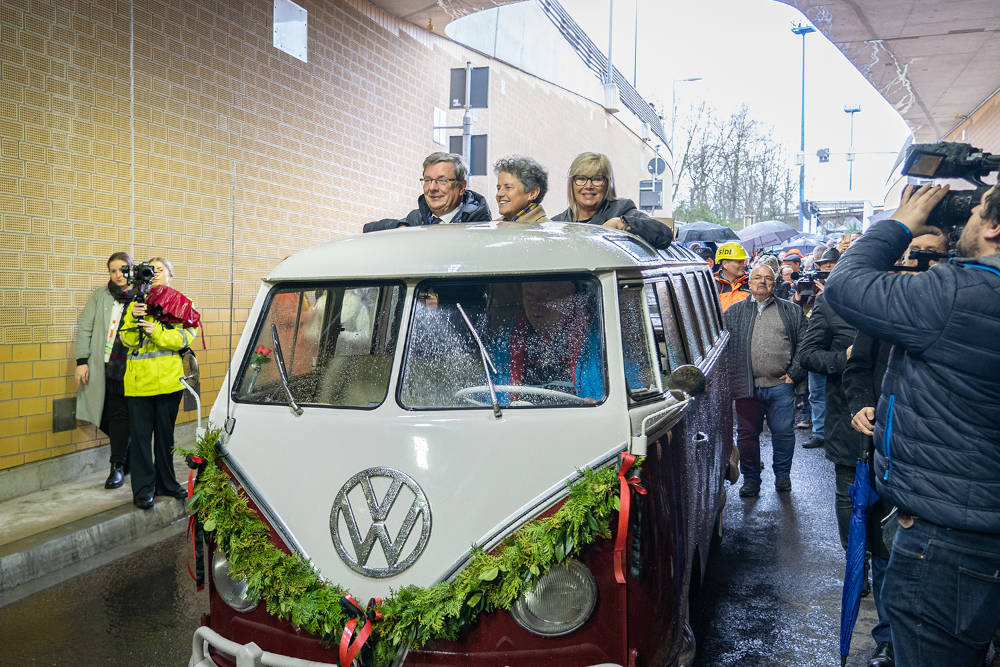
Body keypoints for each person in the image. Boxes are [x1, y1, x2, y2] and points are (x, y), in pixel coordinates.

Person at [824, 183, 1000, 667]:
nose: (961, 220)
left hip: (950, 541)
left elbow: (845, 283)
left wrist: (900, 222)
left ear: (993, 226)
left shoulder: (959, 294)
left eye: (976, 209)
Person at [839, 229, 951, 667]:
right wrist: (861, 404)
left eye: (932, 255)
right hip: (889, 455)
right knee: (887, 548)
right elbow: (857, 366)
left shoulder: (967, 308)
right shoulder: (888, 308)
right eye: (914, 254)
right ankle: (889, 638)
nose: (921, 264)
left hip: (948, 462)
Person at [120, 257, 199, 510]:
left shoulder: (182, 304)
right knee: (141, 439)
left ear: (170, 275)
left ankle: (167, 483)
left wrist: (159, 333)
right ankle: (143, 490)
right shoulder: (134, 304)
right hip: (138, 384)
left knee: (165, 437)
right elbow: (127, 341)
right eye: (150, 270)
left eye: (160, 270)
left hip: (168, 383)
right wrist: (133, 318)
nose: (154, 274)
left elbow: (187, 337)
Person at [723, 264, 808, 497]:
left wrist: (795, 373)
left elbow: (805, 344)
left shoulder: (791, 311)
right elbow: (724, 350)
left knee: (783, 433)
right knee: (747, 436)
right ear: (748, 282)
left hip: (780, 386)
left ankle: (782, 477)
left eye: (768, 278)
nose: (762, 282)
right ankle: (751, 480)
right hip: (746, 387)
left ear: (775, 283)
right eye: (757, 277)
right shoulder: (733, 313)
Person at [75, 252, 135, 490]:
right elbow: (85, 329)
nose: (118, 275)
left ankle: (117, 466)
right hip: (101, 367)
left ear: (131, 269)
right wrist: (82, 361)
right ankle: (126, 457)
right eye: (113, 270)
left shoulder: (140, 296)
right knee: (102, 416)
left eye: (123, 269)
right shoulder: (101, 295)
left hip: (127, 367)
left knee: (120, 416)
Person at [489, 280, 602, 402]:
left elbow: (621, 395)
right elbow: (486, 400)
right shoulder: (502, 346)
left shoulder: (600, 342)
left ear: (569, 296)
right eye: (529, 295)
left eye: (546, 295)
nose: (536, 304)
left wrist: (596, 404)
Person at [550, 152, 673, 249]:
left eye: (597, 179)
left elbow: (664, 236)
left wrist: (621, 223)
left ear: (607, 184)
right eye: (581, 179)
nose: (588, 186)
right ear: (572, 184)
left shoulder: (622, 210)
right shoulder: (555, 224)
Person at [363, 152, 491, 232]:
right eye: (428, 180)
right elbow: (369, 229)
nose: (432, 188)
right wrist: (400, 228)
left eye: (442, 180)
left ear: (461, 187)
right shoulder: (416, 219)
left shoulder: (479, 227)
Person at [799, 246, 841, 449]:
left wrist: (828, 295)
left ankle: (834, 433)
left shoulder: (845, 288)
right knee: (815, 394)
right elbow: (800, 313)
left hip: (835, 348)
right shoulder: (811, 286)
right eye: (823, 267)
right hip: (815, 346)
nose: (826, 270)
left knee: (837, 394)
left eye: (830, 266)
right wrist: (800, 297)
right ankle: (818, 433)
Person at [494, 156, 548, 222]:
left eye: (508, 187)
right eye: (498, 188)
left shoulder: (543, 231)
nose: (499, 194)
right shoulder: (493, 226)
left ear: (532, 193)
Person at [713, 242, 750, 312]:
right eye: (739, 261)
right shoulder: (711, 285)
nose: (744, 265)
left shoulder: (751, 282)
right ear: (725, 264)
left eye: (744, 261)